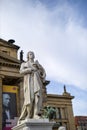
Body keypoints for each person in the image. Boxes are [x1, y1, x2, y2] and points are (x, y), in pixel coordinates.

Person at [18, 51, 46, 121]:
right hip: (29, 82)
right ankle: (29, 114)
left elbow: (43, 72)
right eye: (30, 54)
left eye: (33, 54)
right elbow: (21, 71)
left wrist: (40, 70)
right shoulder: (24, 64)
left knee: (38, 97)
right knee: (30, 98)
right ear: (28, 56)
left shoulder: (37, 64)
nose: (32, 55)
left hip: (37, 81)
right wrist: (29, 69)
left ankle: (36, 114)